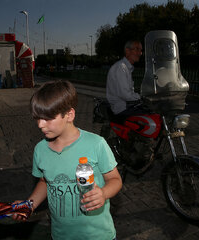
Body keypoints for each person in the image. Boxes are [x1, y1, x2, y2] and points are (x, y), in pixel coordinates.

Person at [13, 80, 122, 240]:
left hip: (98, 235)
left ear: (69, 115)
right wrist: (29, 204)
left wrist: (104, 193)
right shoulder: (40, 150)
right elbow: (45, 181)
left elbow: (115, 179)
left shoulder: (96, 144)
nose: (40, 125)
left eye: (48, 118)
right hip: (60, 235)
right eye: (37, 118)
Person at [106, 40, 143, 118]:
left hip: (128, 106)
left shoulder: (127, 68)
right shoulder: (121, 67)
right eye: (137, 49)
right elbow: (125, 95)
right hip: (122, 109)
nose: (140, 53)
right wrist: (142, 97)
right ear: (127, 51)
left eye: (141, 50)